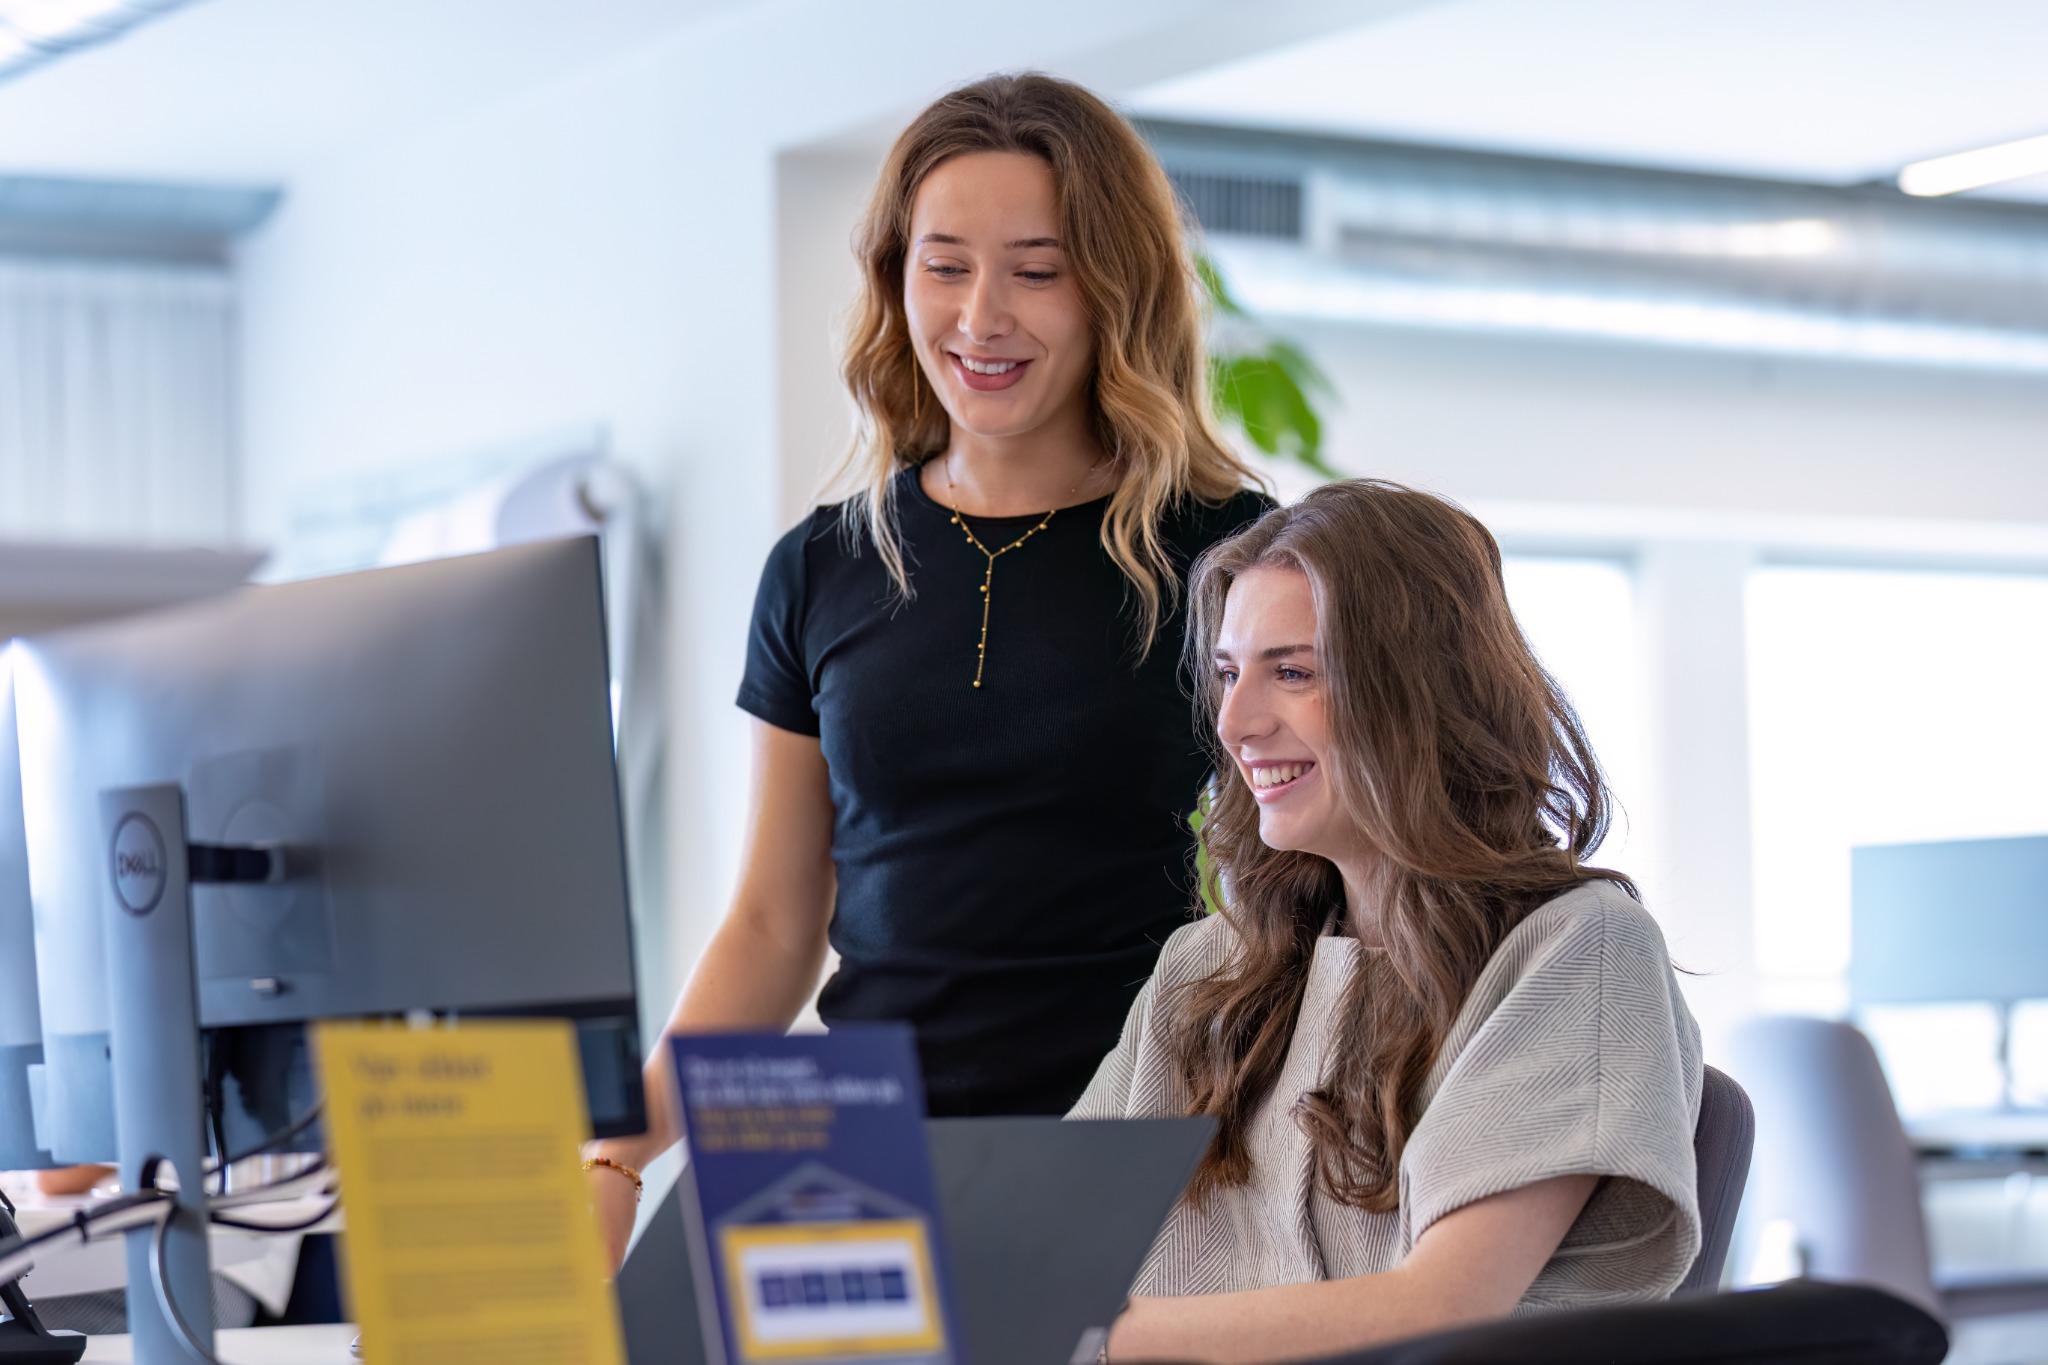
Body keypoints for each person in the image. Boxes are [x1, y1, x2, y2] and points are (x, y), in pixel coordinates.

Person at [584, 72, 1270, 1264]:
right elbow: (771, 919)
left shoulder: (1220, 552)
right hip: (849, 1158)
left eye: (1036, 270)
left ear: (1115, 289)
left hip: (1128, 1140)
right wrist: (617, 1149)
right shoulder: (820, 567)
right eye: (943, 265)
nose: (980, 316)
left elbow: (1305, 881)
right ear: (895, 280)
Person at [1073, 480, 1703, 1362]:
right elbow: (1046, 1254)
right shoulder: (1208, 967)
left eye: (1292, 671)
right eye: (1228, 673)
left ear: (1419, 693)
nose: (1236, 721)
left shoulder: (1577, 953)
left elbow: (1439, 1309)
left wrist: (1094, 1333)